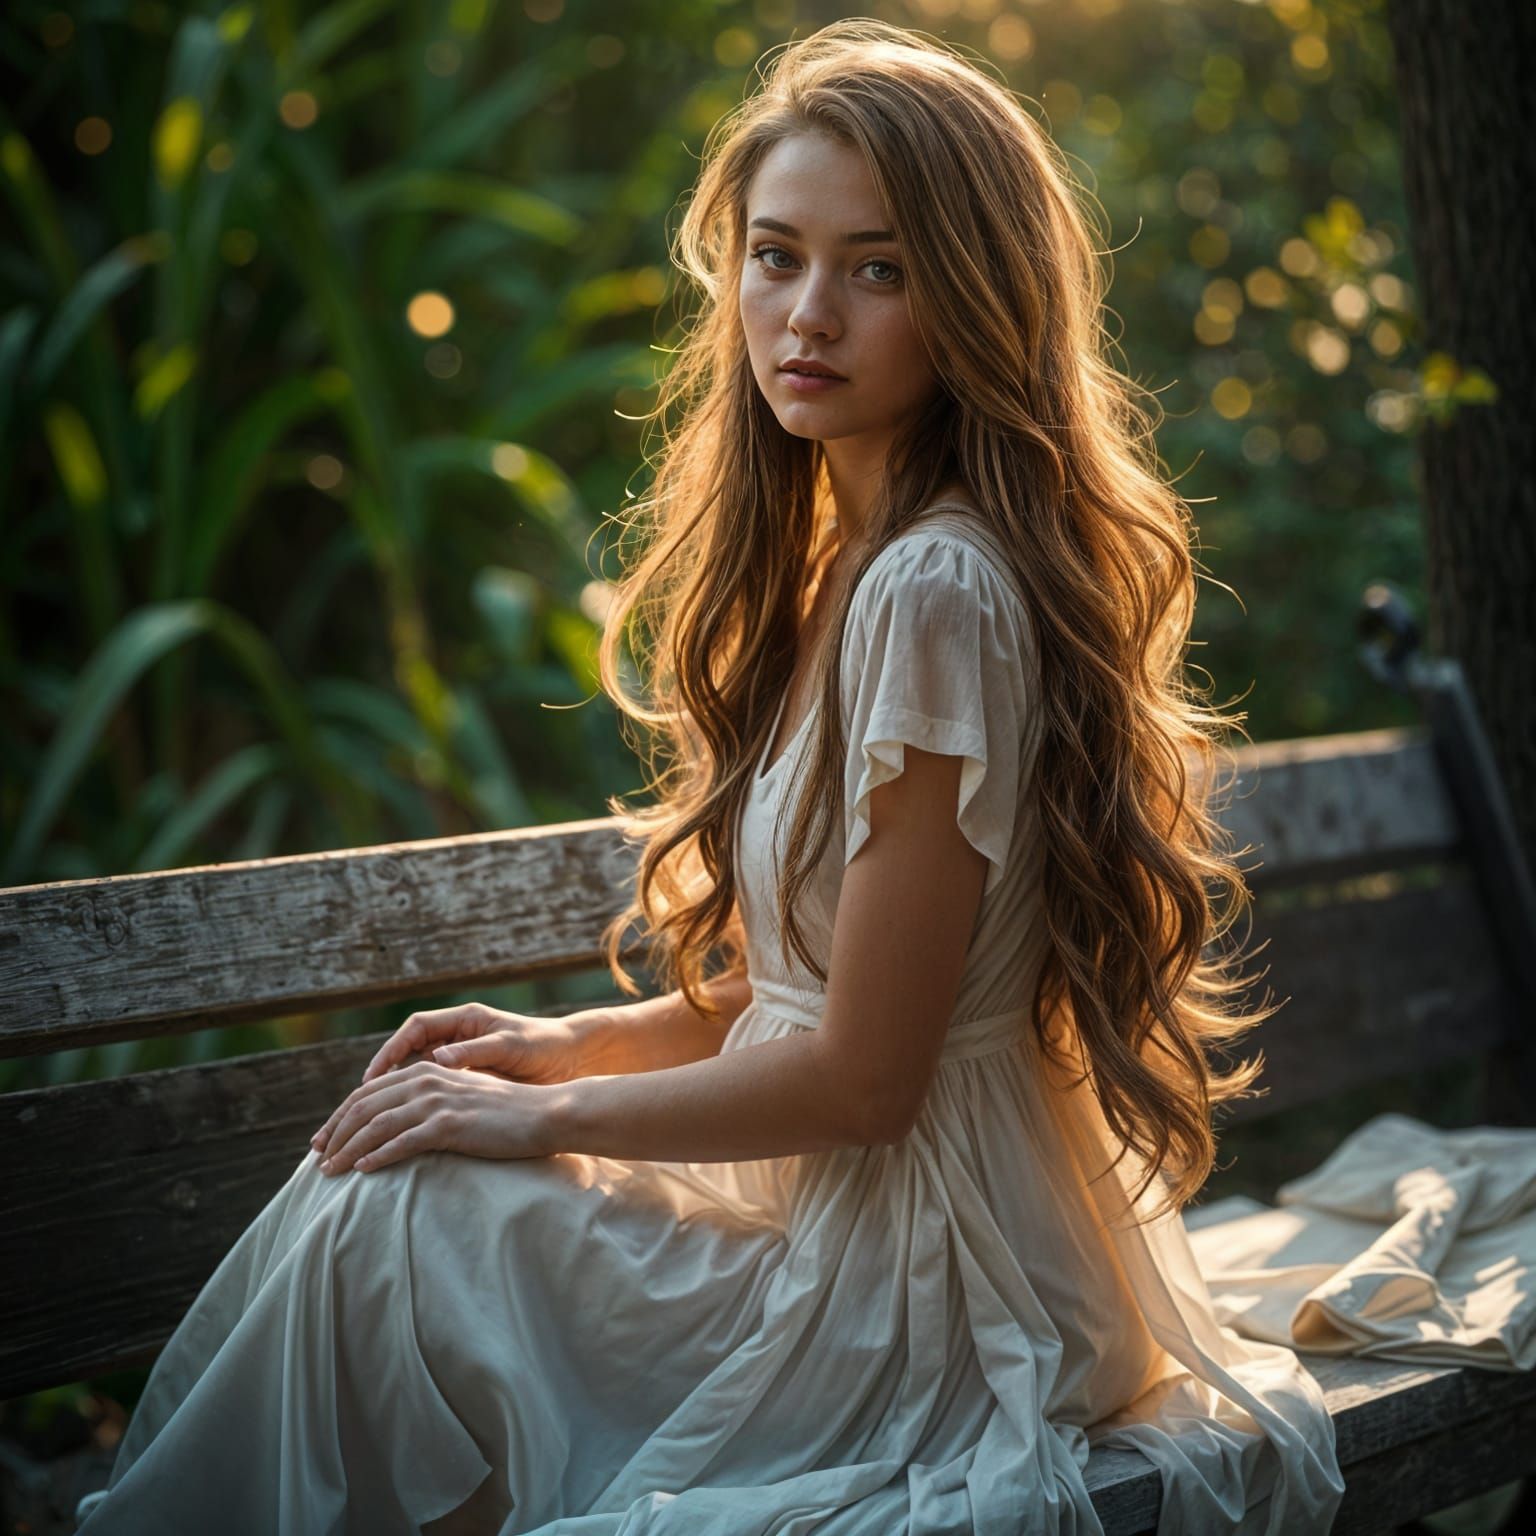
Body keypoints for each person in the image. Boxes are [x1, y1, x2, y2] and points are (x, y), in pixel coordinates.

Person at [77, 18, 1346, 1535]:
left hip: (931, 1287)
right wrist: (562, 1048)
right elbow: (815, 987)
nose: (808, 313)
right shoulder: (851, 566)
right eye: (776, 254)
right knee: (407, 1180)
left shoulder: (932, 592)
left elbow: (869, 1080)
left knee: (408, 1216)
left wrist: (536, 1125)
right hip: (864, 1225)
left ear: (977, 300)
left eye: (879, 268)